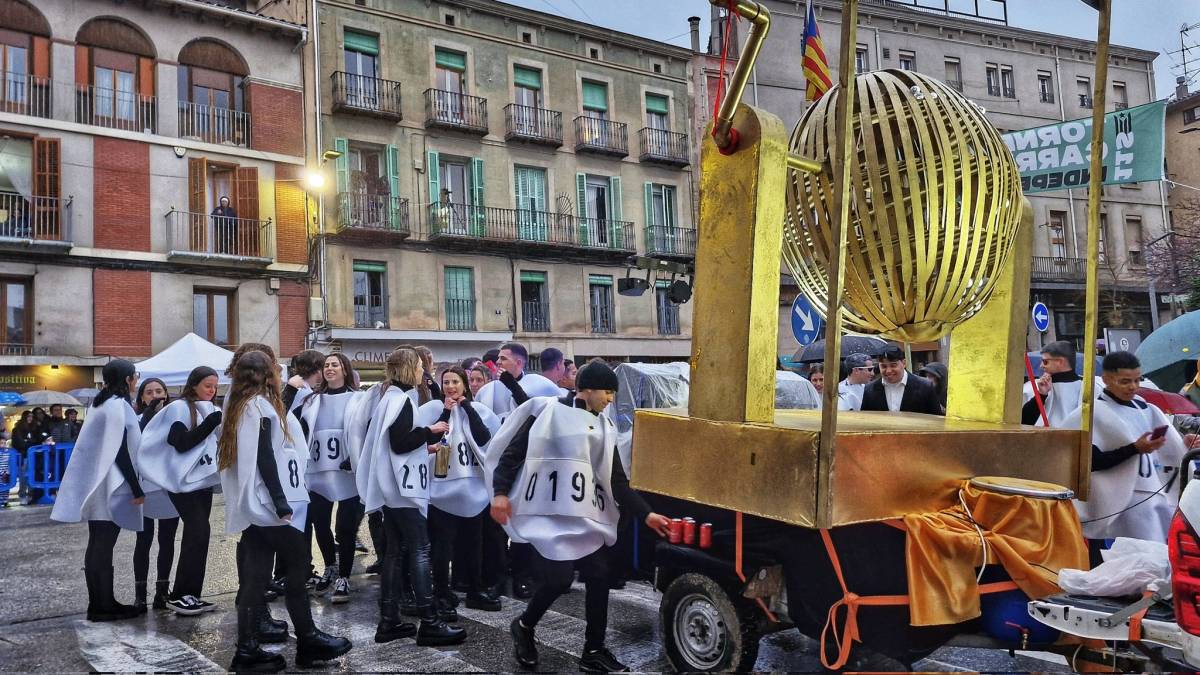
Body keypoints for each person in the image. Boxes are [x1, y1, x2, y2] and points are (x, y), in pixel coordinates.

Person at [488, 360, 672, 672]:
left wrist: (647, 515)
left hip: (584, 515)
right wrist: (500, 493)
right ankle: (524, 625)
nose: (610, 399)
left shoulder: (605, 426)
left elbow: (616, 481)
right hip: (547, 514)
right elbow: (512, 456)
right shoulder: (548, 414)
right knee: (558, 580)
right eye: (606, 391)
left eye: (613, 393)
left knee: (599, 576)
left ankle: (594, 649)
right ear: (585, 389)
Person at [219, 350, 352, 672]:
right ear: (267, 374)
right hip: (271, 505)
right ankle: (308, 639)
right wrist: (280, 502)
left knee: (255, 577)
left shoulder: (244, 405)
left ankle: (248, 649)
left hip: (260, 504)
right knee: (297, 566)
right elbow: (264, 456)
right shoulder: (258, 406)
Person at [358, 347, 466, 646]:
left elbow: (397, 443)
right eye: (419, 366)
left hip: (392, 489)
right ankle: (429, 622)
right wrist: (429, 431)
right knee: (420, 550)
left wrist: (426, 443)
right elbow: (400, 442)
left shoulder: (390, 398)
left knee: (394, 553)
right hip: (403, 490)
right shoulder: (401, 401)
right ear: (409, 369)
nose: (422, 371)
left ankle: (389, 620)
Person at [1069, 352, 1196, 554]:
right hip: (1117, 500)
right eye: (1125, 381)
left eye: (1137, 380)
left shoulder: (1147, 408)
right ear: (1107, 379)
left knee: (1162, 554)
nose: (1133, 387)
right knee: (1138, 558)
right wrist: (1134, 449)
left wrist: (1184, 444)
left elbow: (1165, 448)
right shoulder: (1090, 414)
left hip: (1153, 493)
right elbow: (1087, 462)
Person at [51, 360, 145, 622]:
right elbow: (120, 451)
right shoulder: (117, 406)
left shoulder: (101, 403)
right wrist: (137, 488)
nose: (136, 381)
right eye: (135, 377)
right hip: (109, 484)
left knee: (97, 543)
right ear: (128, 379)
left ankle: (102, 602)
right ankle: (103, 605)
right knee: (104, 543)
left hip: (99, 481)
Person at [474, 342, 562, 599]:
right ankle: (498, 576)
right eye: (498, 358)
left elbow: (545, 417)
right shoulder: (488, 390)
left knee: (526, 519)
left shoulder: (542, 386)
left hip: (531, 463)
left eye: (504, 359)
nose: (498, 363)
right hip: (499, 462)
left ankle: (526, 576)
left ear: (520, 362)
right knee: (496, 524)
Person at [136, 367, 222, 616]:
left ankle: (190, 593)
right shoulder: (179, 408)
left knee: (200, 533)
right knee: (198, 530)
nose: (212, 390)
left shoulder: (209, 408)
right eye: (208, 385)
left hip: (202, 479)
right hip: (181, 480)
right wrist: (209, 424)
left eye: (215, 386)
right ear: (194, 385)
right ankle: (181, 594)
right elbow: (180, 442)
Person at [428, 366, 503, 619]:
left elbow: (484, 438)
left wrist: (466, 407)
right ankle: (441, 592)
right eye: (446, 382)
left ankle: (475, 589)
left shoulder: (478, 410)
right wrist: (448, 409)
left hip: (474, 489)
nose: (450, 386)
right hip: (443, 490)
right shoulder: (433, 410)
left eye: (455, 381)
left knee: (474, 544)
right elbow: (437, 432)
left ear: (465, 385)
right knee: (443, 546)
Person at [297, 353, 363, 603]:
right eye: (326, 365)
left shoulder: (358, 398)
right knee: (319, 523)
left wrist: (355, 457)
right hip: (318, 471)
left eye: (335, 364)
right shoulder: (312, 400)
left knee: (345, 529)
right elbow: (300, 429)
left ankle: (344, 576)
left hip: (347, 473)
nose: (329, 368)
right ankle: (330, 566)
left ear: (345, 369)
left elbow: (364, 429)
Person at [132, 377, 181, 614]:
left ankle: (162, 592)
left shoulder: (175, 417)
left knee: (167, 541)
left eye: (159, 391)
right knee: (143, 541)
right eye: (149, 392)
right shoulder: (137, 420)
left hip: (169, 487)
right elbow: (135, 446)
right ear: (142, 397)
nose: (154, 395)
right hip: (145, 487)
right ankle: (140, 595)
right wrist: (149, 416)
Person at [859, 345, 943, 415]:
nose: (888, 371)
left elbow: (936, 421)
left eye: (893, 365)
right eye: (884, 366)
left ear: (904, 363)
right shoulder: (869, 390)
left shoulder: (925, 387)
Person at [1022, 340, 1083, 428]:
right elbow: (1023, 422)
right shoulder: (1031, 387)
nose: (1041, 366)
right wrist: (1041, 395)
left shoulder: (1090, 387)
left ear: (1060, 362)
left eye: (1045, 361)